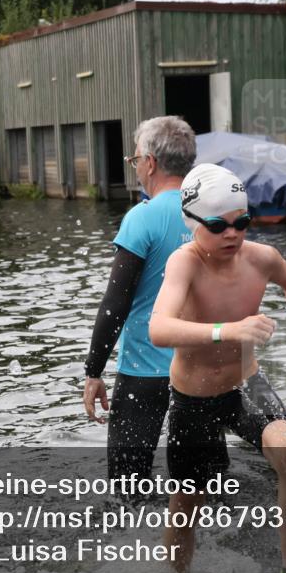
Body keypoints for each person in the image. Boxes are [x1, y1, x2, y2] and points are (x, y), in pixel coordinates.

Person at [149, 163, 286, 573]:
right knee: (185, 509)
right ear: (193, 222)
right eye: (217, 225)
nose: (232, 234)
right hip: (193, 398)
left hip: (245, 386)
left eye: (242, 222)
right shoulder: (184, 264)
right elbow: (157, 328)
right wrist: (226, 330)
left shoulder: (261, 259)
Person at [83, 116, 196, 481]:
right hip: (199, 371)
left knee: (126, 487)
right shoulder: (211, 215)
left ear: (150, 163)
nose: (135, 169)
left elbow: (115, 304)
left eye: (134, 162)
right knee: (204, 484)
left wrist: (93, 371)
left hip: (143, 372)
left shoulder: (141, 218)